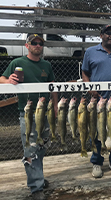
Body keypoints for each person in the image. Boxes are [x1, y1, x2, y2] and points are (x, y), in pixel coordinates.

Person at [0, 34, 58, 200]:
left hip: (44, 113)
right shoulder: (17, 63)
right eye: (34, 43)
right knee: (30, 149)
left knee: (41, 146)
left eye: (40, 43)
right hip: (27, 113)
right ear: (27, 45)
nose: (38, 45)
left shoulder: (46, 65)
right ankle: (36, 188)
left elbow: (53, 86)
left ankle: (37, 177)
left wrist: (55, 106)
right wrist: (7, 81)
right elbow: (1, 79)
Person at [82, 24, 111, 178]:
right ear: (101, 35)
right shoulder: (90, 52)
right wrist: (90, 88)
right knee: (96, 131)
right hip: (98, 100)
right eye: (108, 33)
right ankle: (97, 162)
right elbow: (85, 73)